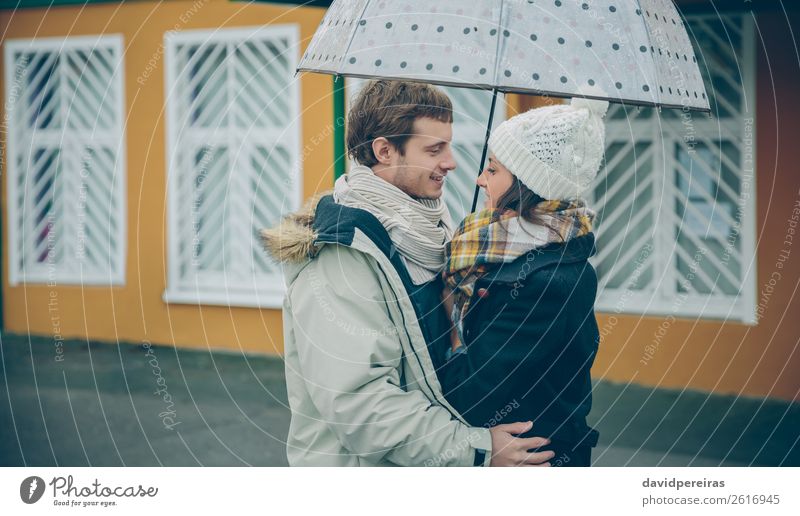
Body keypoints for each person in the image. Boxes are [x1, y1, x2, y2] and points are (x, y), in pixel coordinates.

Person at [261, 79, 554, 466]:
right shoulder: (341, 256)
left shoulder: (432, 229)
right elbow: (360, 405)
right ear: (385, 151)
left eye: (448, 145)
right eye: (434, 149)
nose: (451, 162)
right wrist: (476, 450)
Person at [439, 92, 608, 467]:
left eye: (494, 169)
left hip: (529, 459)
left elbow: (475, 390)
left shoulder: (545, 280)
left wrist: (449, 331)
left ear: (527, 185)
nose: (480, 179)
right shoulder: (515, 251)